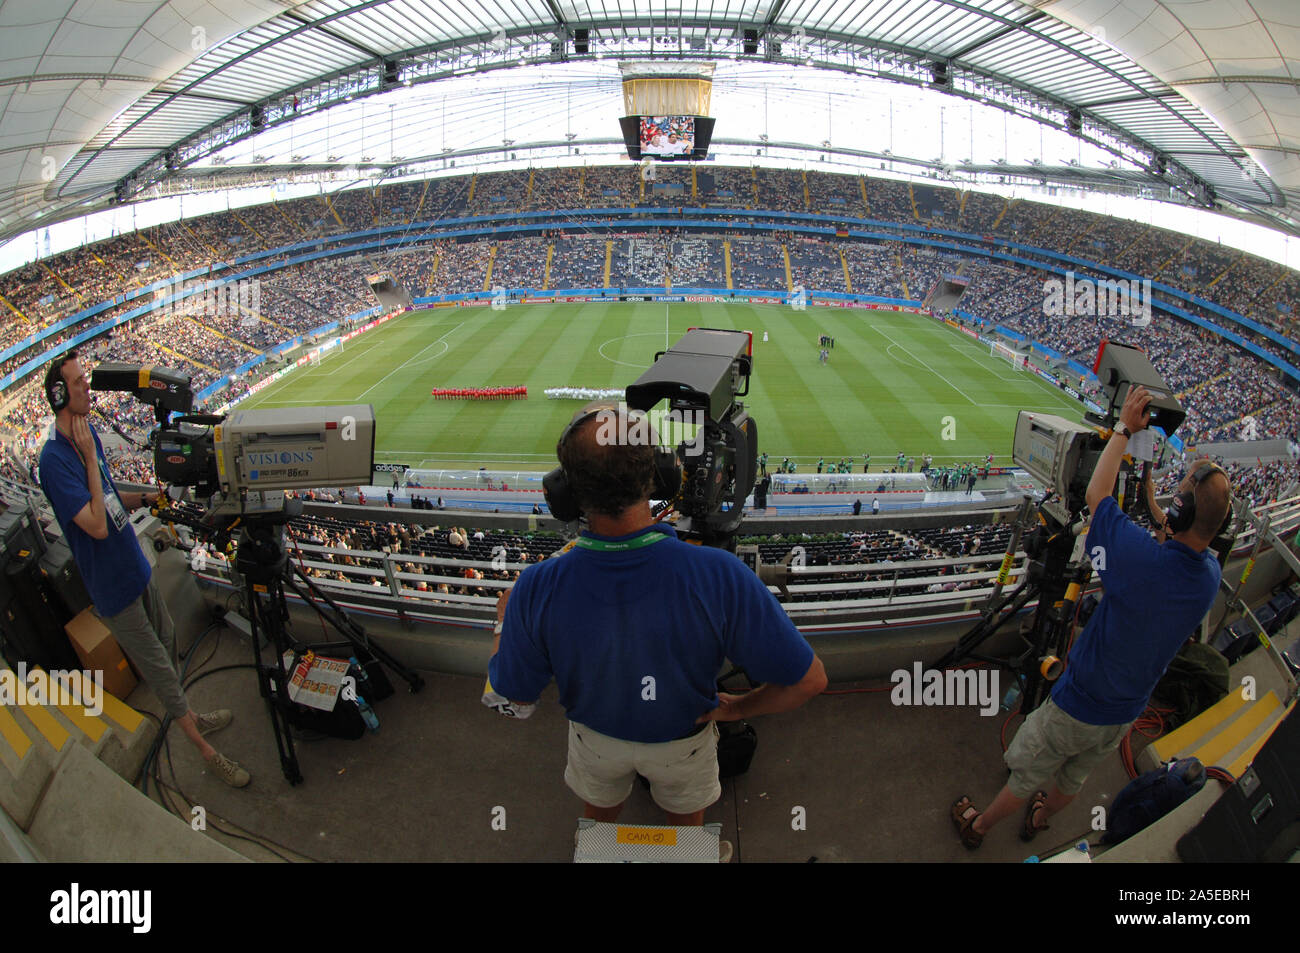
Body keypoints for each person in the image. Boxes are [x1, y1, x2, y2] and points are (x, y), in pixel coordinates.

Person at [486, 403, 826, 847]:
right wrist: (735, 709)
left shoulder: (536, 586)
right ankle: (687, 856)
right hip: (682, 744)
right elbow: (810, 680)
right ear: (661, 476)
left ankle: (599, 852)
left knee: (599, 820)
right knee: (686, 831)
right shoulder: (720, 574)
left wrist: (502, 622)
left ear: (564, 493)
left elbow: (512, 702)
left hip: (594, 743)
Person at [953, 387, 1228, 849]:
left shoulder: (1141, 560)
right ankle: (1040, 820)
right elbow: (1179, 542)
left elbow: (1100, 495)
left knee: (1028, 770)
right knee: (1074, 775)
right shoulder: (1209, 575)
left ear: (1180, 516)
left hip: (1080, 701)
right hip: (1126, 710)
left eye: (1177, 500)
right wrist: (1160, 508)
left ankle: (978, 827)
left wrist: (1124, 429)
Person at [37, 352, 250, 787]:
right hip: (112, 588)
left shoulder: (90, 434)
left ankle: (190, 716)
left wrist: (144, 500)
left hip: (134, 564)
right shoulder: (54, 461)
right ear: (59, 394)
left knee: (168, 642)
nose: (86, 387)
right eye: (78, 382)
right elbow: (95, 524)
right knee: (159, 671)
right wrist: (90, 461)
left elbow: (109, 499)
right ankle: (207, 752)